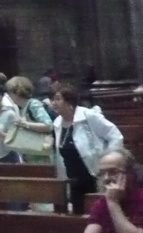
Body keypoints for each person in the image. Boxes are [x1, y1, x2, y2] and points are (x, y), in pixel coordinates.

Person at [52, 83, 124, 216]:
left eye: (57, 99)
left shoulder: (88, 116)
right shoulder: (57, 123)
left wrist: (109, 161)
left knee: (99, 212)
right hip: (72, 178)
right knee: (78, 213)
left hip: (93, 173)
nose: (53, 103)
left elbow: (115, 135)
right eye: (53, 99)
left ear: (69, 101)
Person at [81, 150, 143, 233]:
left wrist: (113, 202)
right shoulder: (102, 202)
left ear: (131, 173)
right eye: (102, 173)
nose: (106, 178)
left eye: (113, 172)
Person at [6, 75, 54, 165]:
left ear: (16, 92)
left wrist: (25, 124)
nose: (9, 96)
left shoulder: (33, 104)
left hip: (41, 154)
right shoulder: (22, 107)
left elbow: (48, 126)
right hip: (32, 154)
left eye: (10, 92)